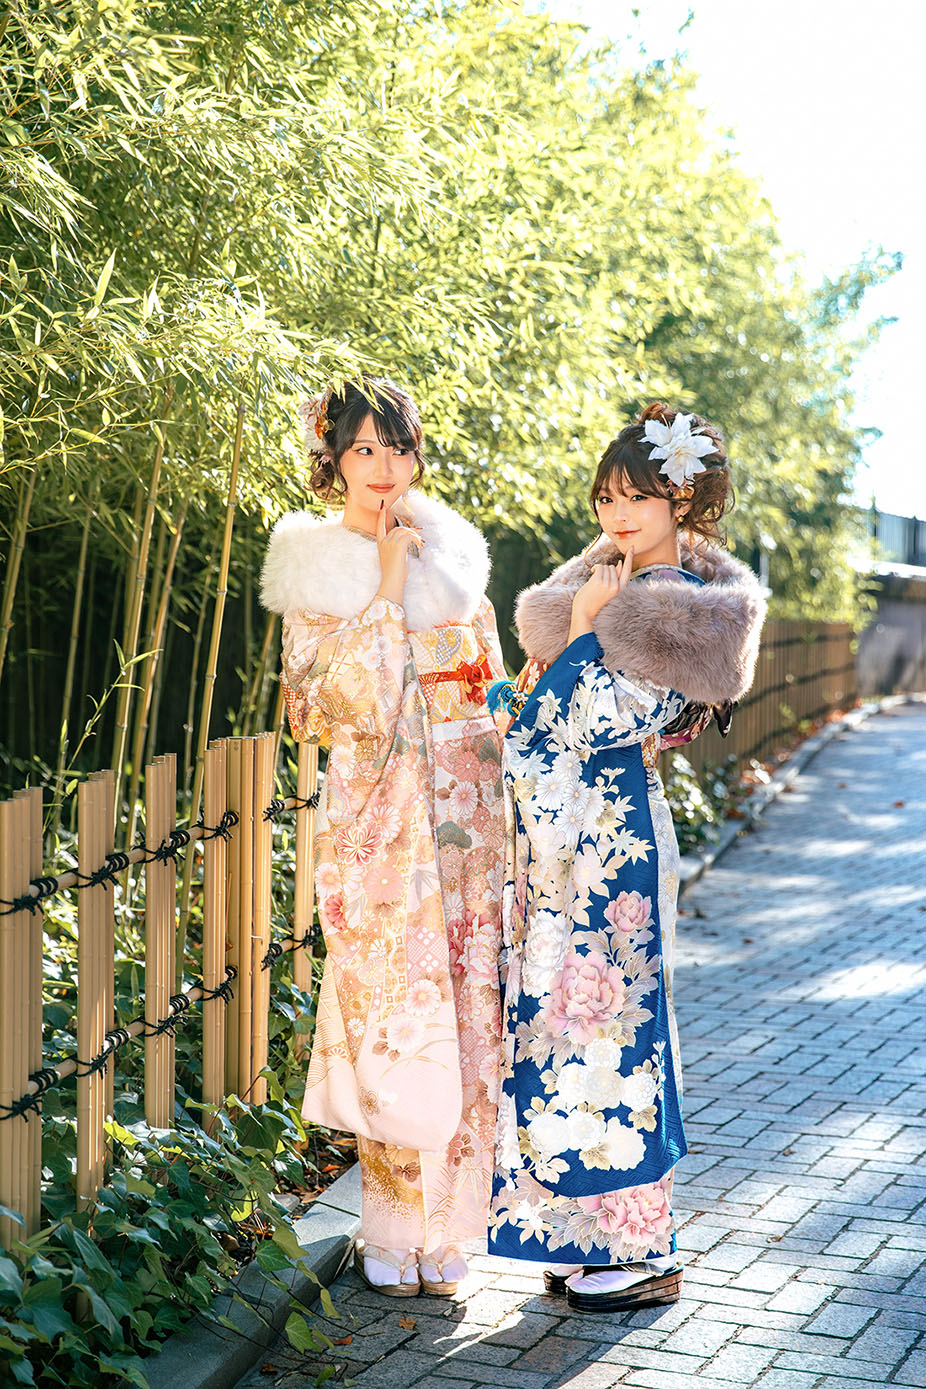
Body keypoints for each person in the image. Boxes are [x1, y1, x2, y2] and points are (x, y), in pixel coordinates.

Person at [487, 402, 766, 1312]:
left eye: (638, 496)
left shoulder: (676, 611)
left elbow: (595, 718)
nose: (618, 513)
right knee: (565, 1026)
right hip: (576, 840)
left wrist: (577, 636)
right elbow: (541, 709)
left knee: (619, 1030)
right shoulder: (609, 586)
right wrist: (556, 655)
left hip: (619, 847)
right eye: (607, 496)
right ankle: (582, 1234)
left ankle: (644, 1247)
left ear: (681, 499)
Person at [261, 378, 506, 1297]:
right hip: (378, 825)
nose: (384, 467)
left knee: (466, 1012)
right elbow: (326, 706)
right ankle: (390, 1223)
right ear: (333, 458)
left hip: (464, 821)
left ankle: (452, 1226)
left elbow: (486, 688)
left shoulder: (456, 558)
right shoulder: (316, 565)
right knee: (395, 1013)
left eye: (398, 448)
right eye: (364, 448)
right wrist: (390, 585)